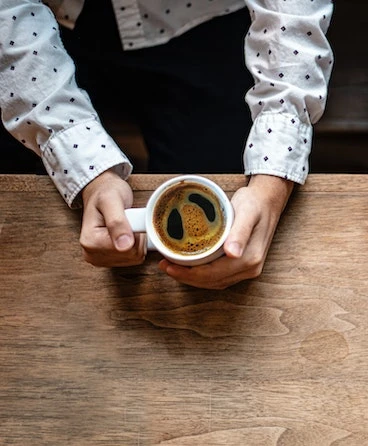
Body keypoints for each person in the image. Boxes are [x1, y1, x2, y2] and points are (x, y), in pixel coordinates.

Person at [0, 0, 334, 289]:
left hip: (204, 24)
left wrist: (271, 184)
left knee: (224, 181)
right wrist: (89, 175)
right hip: (45, 35)